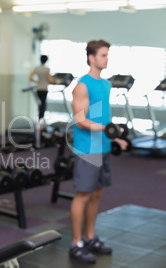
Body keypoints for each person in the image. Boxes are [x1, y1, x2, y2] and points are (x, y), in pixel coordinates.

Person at [69, 40, 128, 264]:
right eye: (103, 55)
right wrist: (107, 129)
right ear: (92, 58)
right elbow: (81, 120)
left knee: (96, 194)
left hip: (103, 146)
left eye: (107, 55)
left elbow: (103, 117)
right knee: (83, 195)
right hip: (87, 149)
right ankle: (76, 243)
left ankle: (90, 237)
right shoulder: (82, 85)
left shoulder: (105, 85)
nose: (106, 59)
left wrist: (116, 138)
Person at [29, 55, 53, 122]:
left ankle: (40, 117)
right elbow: (50, 80)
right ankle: (41, 117)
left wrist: (37, 81)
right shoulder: (47, 69)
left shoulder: (36, 68)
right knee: (43, 103)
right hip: (44, 88)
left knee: (40, 103)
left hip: (38, 88)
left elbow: (30, 78)